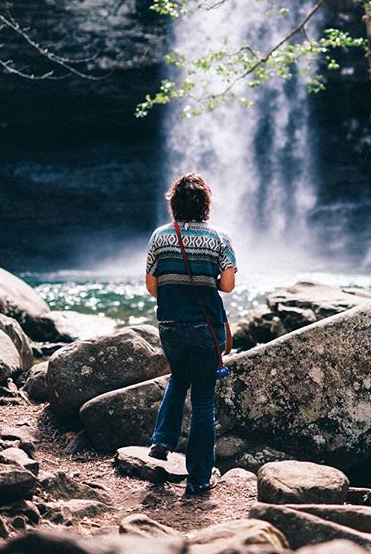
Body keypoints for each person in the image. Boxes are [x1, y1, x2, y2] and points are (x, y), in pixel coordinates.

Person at [145, 172, 236, 497]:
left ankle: (161, 440)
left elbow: (152, 287)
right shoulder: (219, 238)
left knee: (178, 376)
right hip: (205, 328)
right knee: (202, 403)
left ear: (174, 204)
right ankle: (198, 479)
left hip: (170, 326)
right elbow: (226, 285)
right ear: (206, 203)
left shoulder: (159, 237)